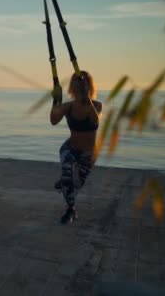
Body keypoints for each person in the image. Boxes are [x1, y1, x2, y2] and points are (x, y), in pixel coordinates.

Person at [50, 71, 102, 224]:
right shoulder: (68, 107)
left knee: (76, 184)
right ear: (73, 86)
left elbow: (95, 121)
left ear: (89, 85)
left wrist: (87, 99)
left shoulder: (97, 106)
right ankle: (71, 209)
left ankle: (66, 182)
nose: (82, 83)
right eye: (79, 81)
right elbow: (53, 120)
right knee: (68, 180)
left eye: (85, 81)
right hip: (70, 149)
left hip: (89, 153)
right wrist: (56, 100)